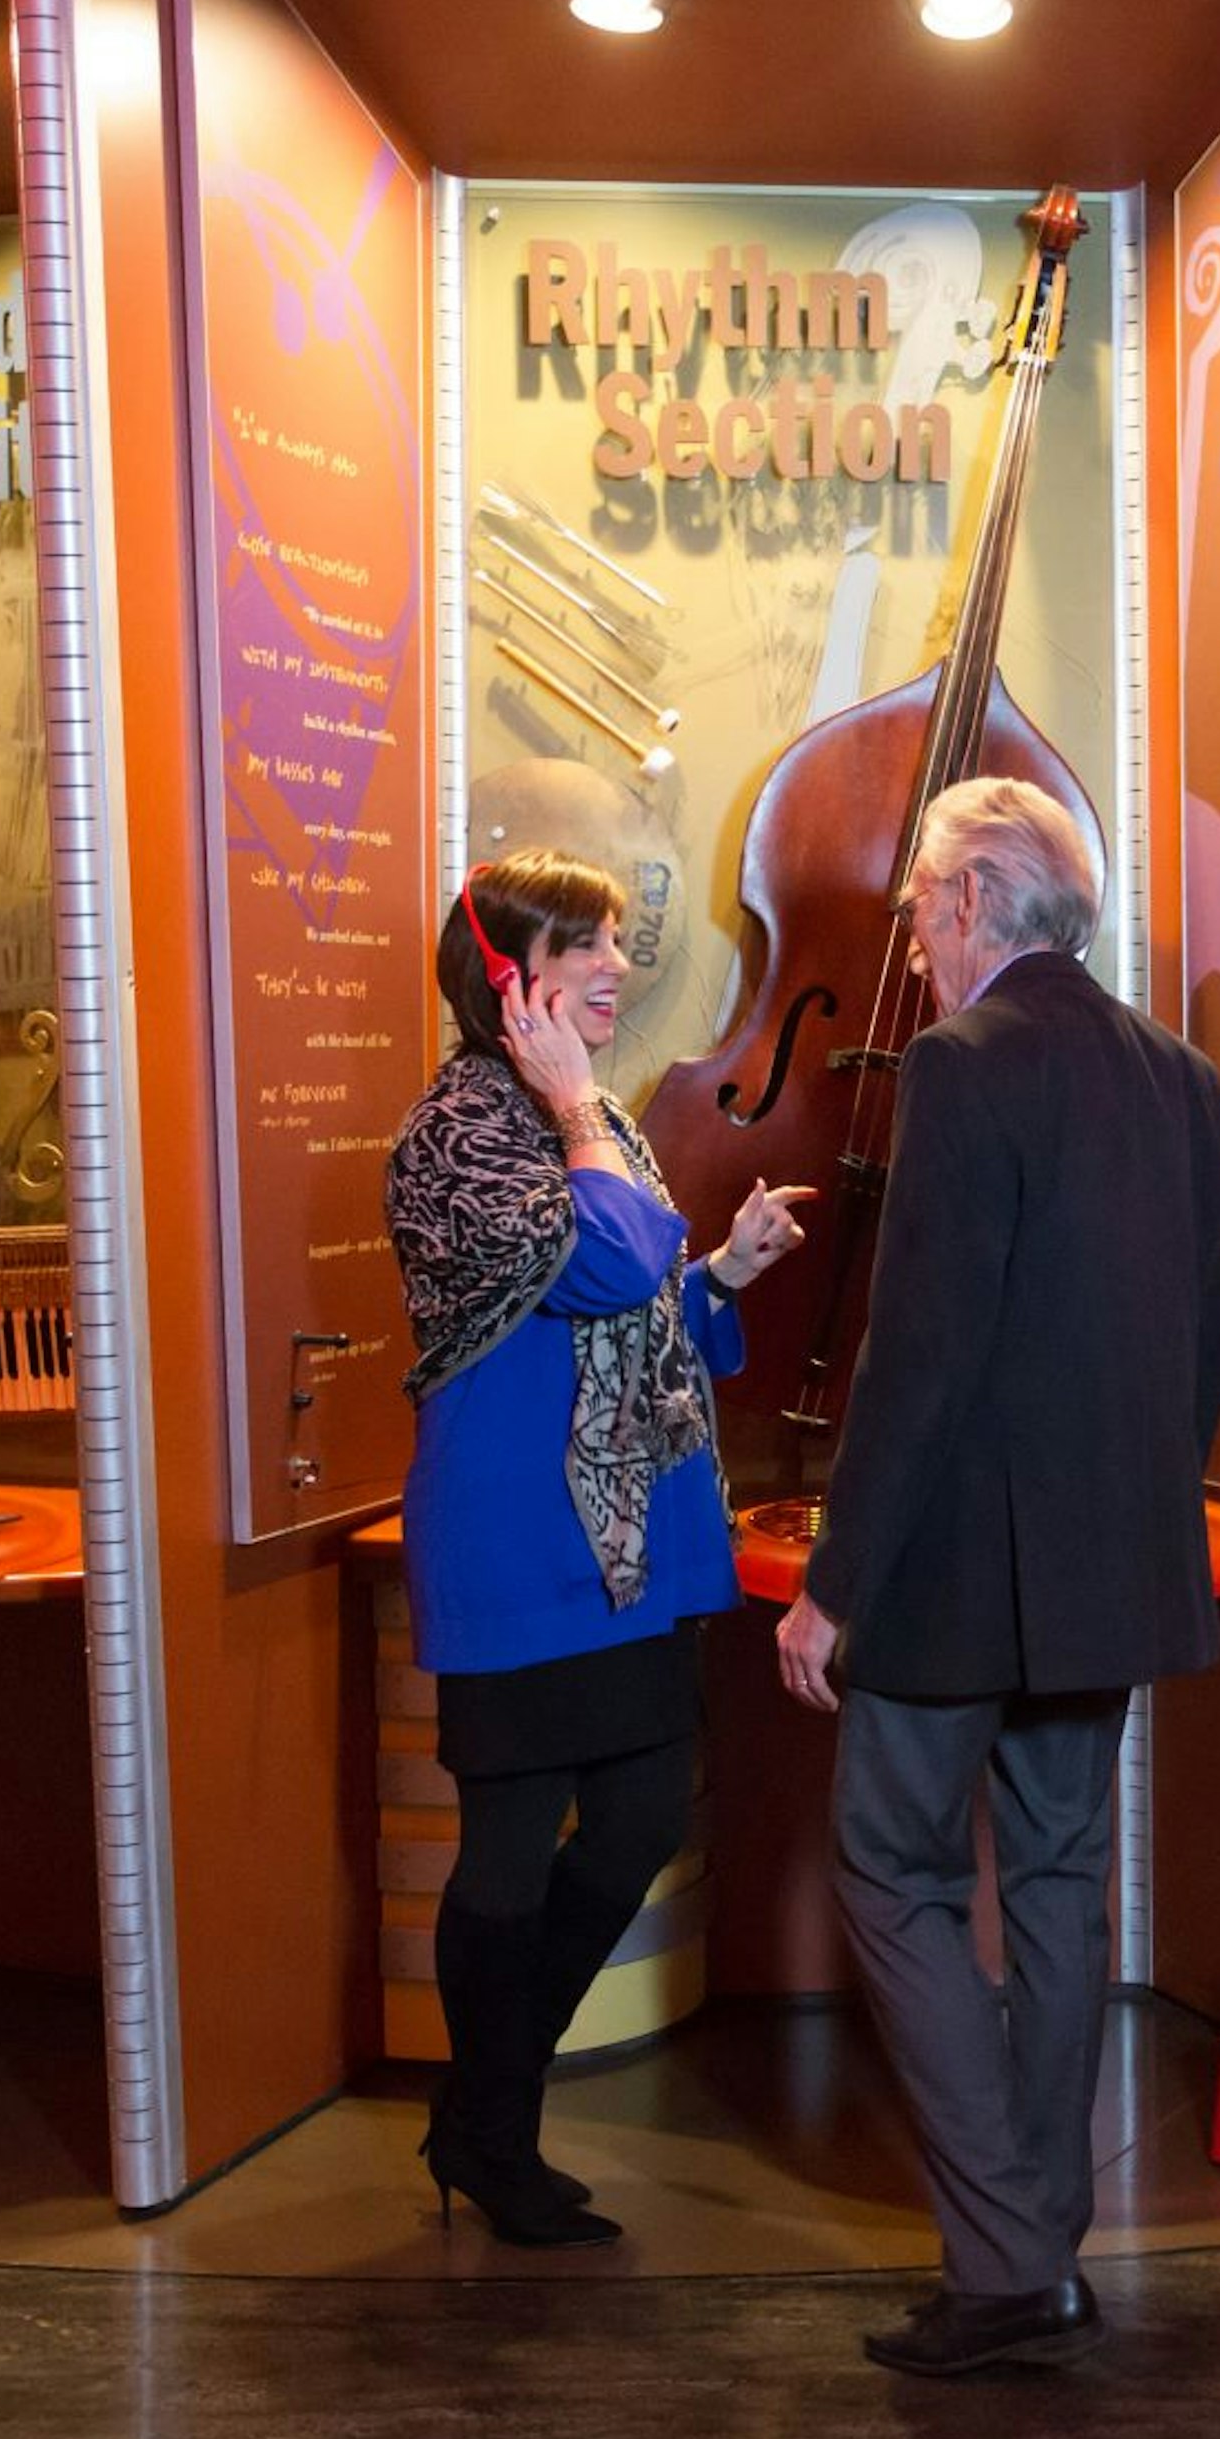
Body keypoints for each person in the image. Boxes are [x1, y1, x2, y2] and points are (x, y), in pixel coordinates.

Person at [775, 777, 1220, 2377]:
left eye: (916, 911)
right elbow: (1205, 1355)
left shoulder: (960, 1068)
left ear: (975, 902)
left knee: (889, 1871)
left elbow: (921, 1359)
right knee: (1052, 1887)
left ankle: (1003, 2258)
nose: (911, 943)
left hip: (954, 1580)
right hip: (1109, 1573)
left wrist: (834, 1584)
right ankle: (1038, 2240)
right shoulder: (1179, 1078)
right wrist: (1129, 1520)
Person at [385, 849, 808, 2247]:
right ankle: (497, 2134)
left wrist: (724, 1278)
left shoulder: (588, 1120)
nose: (622, 967)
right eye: (593, 945)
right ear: (509, 981)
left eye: (622, 942)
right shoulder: (458, 1134)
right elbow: (606, 1266)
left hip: (633, 1552)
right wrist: (575, 1110)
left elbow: (638, 1305)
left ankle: (484, 2108)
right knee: (507, 1858)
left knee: (634, 1825)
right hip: (522, 1547)